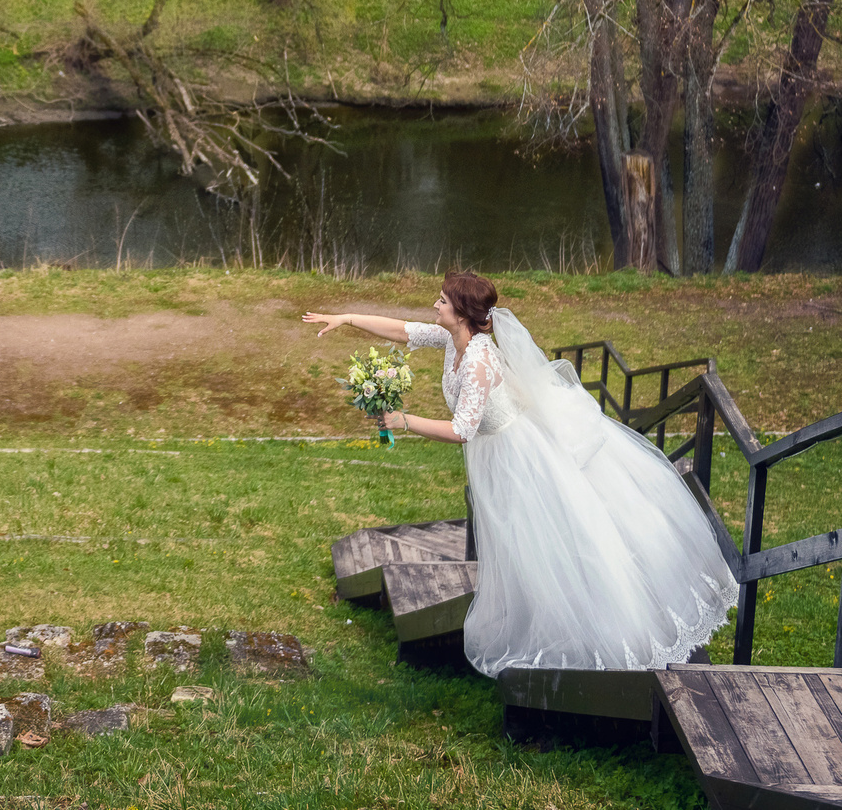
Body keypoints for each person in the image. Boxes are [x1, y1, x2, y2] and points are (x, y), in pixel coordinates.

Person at [304, 272, 737, 676]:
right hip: (494, 455)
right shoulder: (452, 338)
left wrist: (405, 421)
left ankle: (607, 631)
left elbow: (461, 431)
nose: (434, 305)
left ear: (461, 314)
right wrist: (344, 318)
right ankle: (542, 616)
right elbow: (401, 330)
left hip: (519, 457)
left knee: (552, 541)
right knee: (523, 546)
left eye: (441, 301)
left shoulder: (477, 362)